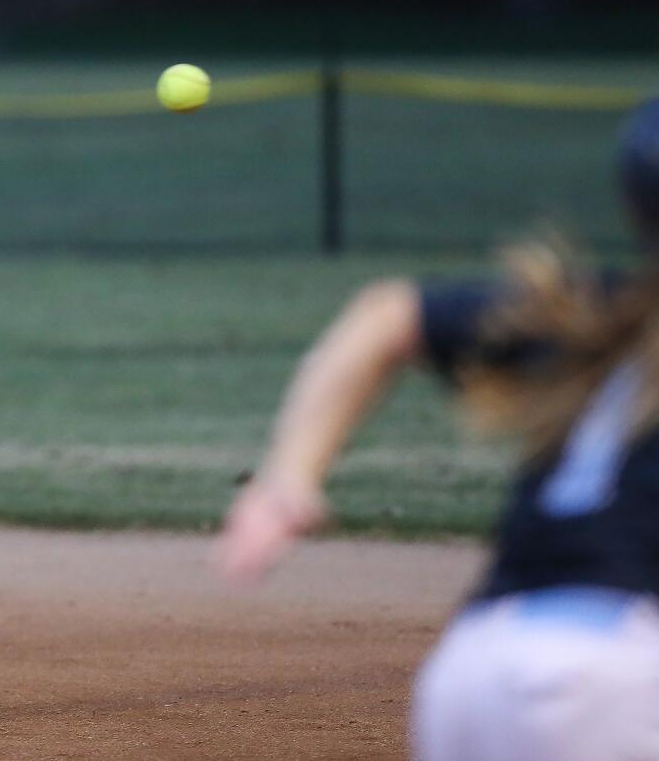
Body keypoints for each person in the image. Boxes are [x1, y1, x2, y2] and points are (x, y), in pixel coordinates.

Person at [217, 99, 659, 760]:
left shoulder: (593, 315)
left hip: (476, 666)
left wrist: (288, 478)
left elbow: (387, 314)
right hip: (624, 677)